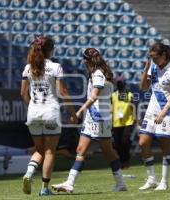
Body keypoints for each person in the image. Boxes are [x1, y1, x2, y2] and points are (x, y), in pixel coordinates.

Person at [51, 48, 127, 193]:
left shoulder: (97, 74)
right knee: (83, 150)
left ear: (86, 60)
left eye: (84, 60)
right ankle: (70, 183)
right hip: (96, 117)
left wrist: (79, 112)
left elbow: (93, 97)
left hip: (98, 118)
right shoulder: (101, 73)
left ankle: (120, 183)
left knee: (107, 152)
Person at [21, 36, 77, 196]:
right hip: (50, 112)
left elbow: (23, 94)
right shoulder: (55, 67)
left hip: (33, 113)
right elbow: (63, 92)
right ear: (50, 50)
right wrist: (73, 113)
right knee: (50, 151)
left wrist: (32, 106)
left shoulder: (28, 68)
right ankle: (44, 188)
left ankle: (29, 173)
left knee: (38, 150)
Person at [138, 43, 170, 191]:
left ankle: (164, 182)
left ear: (164, 55)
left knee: (164, 146)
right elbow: (143, 88)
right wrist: (146, 68)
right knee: (143, 142)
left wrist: (163, 113)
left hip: (166, 111)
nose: (153, 60)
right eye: (151, 57)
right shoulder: (153, 67)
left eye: (155, 57)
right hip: (152, 110)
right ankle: (151, 179)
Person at [112, 75, 138, 169]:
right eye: (118, 83)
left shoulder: (130, 95)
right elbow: (111, 108)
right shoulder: (113, 95)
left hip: (127, 122)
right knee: (117, 144)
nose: (120, 85)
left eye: (121, 83)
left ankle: (125, 161)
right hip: (116, 123)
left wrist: (137, 120)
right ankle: (122, 161)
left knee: (125, 142)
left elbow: (133, 107)